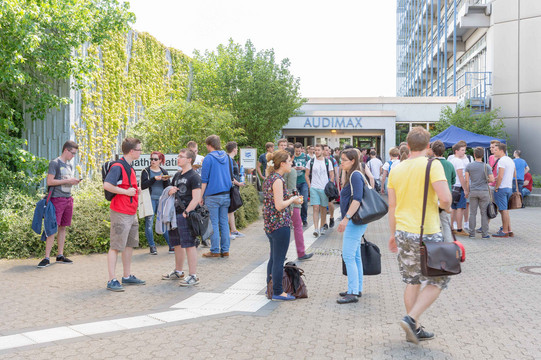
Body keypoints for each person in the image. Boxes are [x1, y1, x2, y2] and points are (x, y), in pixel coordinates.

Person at [388, 126, 452, 344]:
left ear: (407, 144)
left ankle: (413, 329)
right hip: (427, 232)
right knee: (440, 279)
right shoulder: (432, 165)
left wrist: (391, 234)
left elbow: (392, 206)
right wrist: (444, 207)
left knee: (412, 279)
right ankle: (411, 318)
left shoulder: (396, 169)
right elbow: (446, 198)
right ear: (428, 145)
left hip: (403, 232)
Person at [103, 138, 146, 292]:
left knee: (129, 245)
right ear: (132, 151)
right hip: (120, 212)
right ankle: (111, 279)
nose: (141, 152)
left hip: (131, 211)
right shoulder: (118, 166)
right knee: (115, 246)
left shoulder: (129, 167)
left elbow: (126, 185)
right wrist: (126, 192)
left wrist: (135, 191)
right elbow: (107, 185)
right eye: (139, 149)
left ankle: (126, 276)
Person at [263, 150, 303, 301]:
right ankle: (278, 291)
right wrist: (292, 199)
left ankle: (270, 288)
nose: (292, 163)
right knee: (278, 260)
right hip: (279, 224)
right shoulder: (278, 180)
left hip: (270, 224)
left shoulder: (270, 178)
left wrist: (292, 199)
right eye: (289, 161)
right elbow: (279, 205)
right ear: (282, 163)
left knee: (273, 259)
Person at [37, 140, 81, 268]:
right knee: (52, 227)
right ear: (66, 150)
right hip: (57, 200)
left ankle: (60, 255)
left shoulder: (69, 166)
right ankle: (46, 258)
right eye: (72, 153)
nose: (73, 156)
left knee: (63, 227)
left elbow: (64, 181)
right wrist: (68, 180)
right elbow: (50, 181)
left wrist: (73, 182)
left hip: (68, 199)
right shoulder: (54, 163)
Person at [162, 149, 202, 286]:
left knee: (190, 245)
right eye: (178, 156)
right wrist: (171, 191)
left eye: (181, 157)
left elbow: (197, 198)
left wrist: (186, 213)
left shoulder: (194, 177)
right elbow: (173, 191)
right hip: (175, 214)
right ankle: (178, 271)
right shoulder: (177, 175)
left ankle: (193, 275)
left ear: (189, 159)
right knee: (177, 244)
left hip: (186, 215)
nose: (178, 159)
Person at [336, 148, 368, 304]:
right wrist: (343, 171)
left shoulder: (355, 175)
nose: (341, 162)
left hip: (354, 221)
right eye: (341, 159)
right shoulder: (354, 174)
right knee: (355, 256)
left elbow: (357, 199)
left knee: (348, 256)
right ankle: (356, 288)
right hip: (357, 221)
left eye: (344, 160)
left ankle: (353, 292)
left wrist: (346, 218)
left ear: (353, 161)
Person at [200, 135, 232, 257]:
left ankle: (215, 250)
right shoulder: (227, 157)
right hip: (226, 194)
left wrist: (200, 197)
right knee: (224, 222)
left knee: (213, 223)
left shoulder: (208, 159)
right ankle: (225, 250)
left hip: (212, 195)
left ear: (209, 145)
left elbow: (204, 181)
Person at [283, 148, 313, 261]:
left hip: (281, 202)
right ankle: (301, 252)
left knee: (282, 229)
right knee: (298, 227)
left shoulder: (276, 170)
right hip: (291, 203)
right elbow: (291, 189)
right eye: (291, 160)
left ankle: (280, 253)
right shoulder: (291, 171)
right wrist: (294, 202)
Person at [140, 151, 172, 255]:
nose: (153, 161)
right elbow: (143, 185)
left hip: (162, 200)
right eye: (151, 159)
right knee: (149, 223)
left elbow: (168, 187)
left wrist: (165, 180)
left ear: (160, 161)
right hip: (150, 200)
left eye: (155, 159)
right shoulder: (146, 171)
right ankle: (152, 246)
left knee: (164, 222)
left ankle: (171, 245)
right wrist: (154, 179)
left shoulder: (163, 171)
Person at [464, 147, 494, 239]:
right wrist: (486, 179)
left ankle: (472, 233)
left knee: (472, 213)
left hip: (473, 191)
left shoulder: (469, 166)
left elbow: (466, 180)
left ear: (474, 155)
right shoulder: (487, 166)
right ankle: (484, 234)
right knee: (484, 213)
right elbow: (492, 179)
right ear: (482, 156)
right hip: (484, 191)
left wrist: (467, 191)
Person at [305, 144, 334, 238]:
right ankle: (316, 229)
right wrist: (310, 186)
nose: (316, 152)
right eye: (315, 150)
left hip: (324, 189)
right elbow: (306, 174)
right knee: (315, 207)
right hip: (314, 188)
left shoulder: (327, 162)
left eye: (318, 150)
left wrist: (329, 186)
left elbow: (332, 175)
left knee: (323, 208)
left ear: (322, 151)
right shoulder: (311, 161)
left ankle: (322, 226)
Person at [431, 141, 456, 242]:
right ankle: (449, 243)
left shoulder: (430, 164)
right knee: (445, 223)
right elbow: (453, 180)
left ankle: (435, 243)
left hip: (432, 198)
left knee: (433, 223)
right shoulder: (449, 165)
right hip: (446, 197)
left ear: (433, 151)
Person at [493, 143, 516, 238]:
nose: (494, 151)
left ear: (501, 150)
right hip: (509, 187)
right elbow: (513, 174)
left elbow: (501, 175)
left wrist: (496, 187)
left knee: (503, 210)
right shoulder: (510, 160)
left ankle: (505, 231)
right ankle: (509, 230)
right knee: (505, 210)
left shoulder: (501, 161)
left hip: (502, 188)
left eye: (496, 149)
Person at [226, 141, 245, 239]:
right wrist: (238, 183)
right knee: (229, 209)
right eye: (237, 148)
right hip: (231, 188)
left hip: (234, 187)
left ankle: (233, 230)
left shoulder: (232, 160)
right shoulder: (228, 160)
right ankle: (228, 232)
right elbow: (230, 176)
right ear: (234, 149)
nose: (237, 150)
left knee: (232, 210)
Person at [449, 142, 468, 236]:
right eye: (462, 150)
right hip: (459, 186)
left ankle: (451, 227)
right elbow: (461, 176)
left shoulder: (451, 160)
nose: (464, 152)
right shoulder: (459, 161)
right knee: (460, 208)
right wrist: (465, 189)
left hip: (452, 186)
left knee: (453, 208)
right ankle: (459, 229)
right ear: (456, 151)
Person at [293, 143, 310, 227]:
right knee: (295, 202)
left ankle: (304, 219)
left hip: (304, 182)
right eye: (296, 151)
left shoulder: (306, 157)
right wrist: (293, 168)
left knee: (304, 201)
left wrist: (304, 168)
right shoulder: (291, 157)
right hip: (294, 182)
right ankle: (295, 219)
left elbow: (311, 168)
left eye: (299, 151)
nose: (298, 152)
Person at [323, 144, 339, 228]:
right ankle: (324, 222)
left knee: (330, 203)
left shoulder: (333, 160)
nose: (327, 151)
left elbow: (336, 173)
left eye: (327, 150)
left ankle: (332, 217)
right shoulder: (318, 160)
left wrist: (336, 186)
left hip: (329, 185)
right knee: (322, 205)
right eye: (325, 150)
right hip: (320, 184)